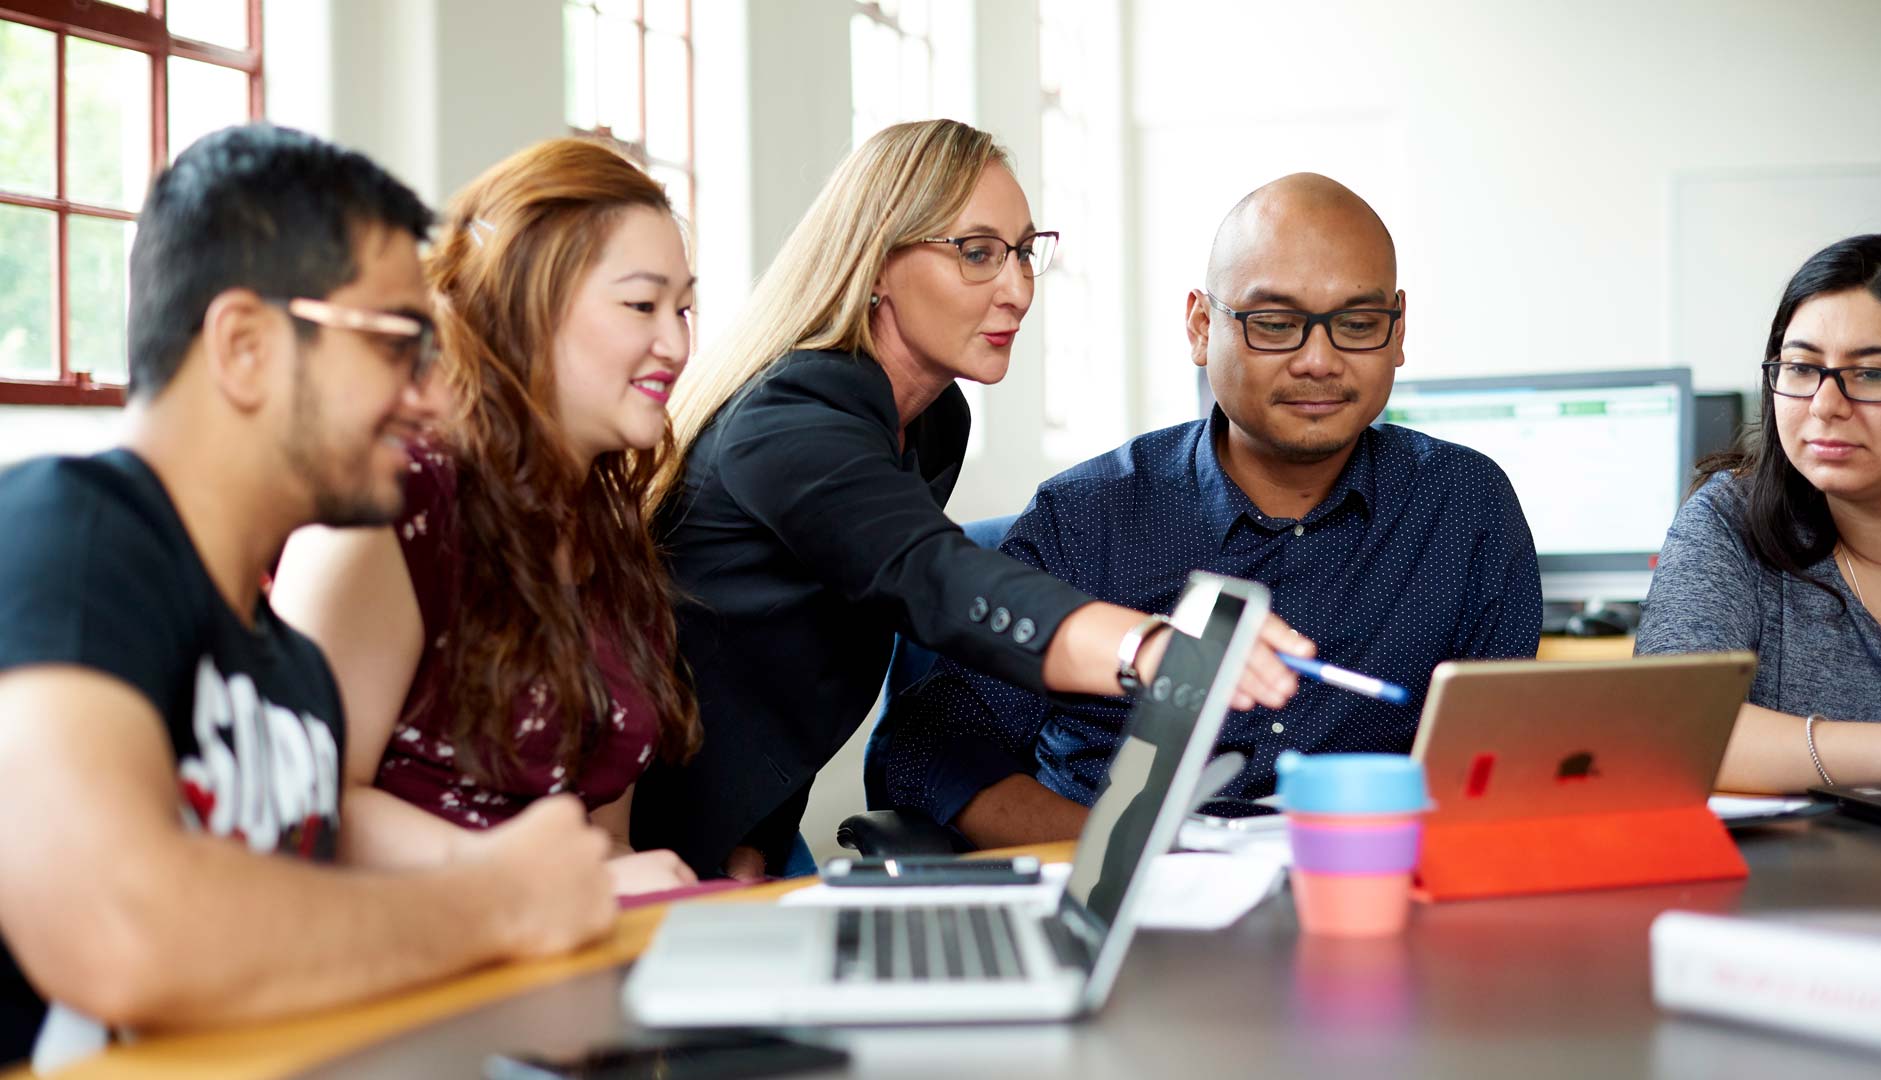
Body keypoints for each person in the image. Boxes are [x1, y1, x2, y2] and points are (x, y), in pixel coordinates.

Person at [0, 126, 616, 1070]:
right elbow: (114, 927)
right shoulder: (68, 534)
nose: (433, 399)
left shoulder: (295, 677)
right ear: (245, 345)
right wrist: (497, 902)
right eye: (397, 346)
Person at [634, 119, 1310, 880]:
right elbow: (932, 576)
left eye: (1024, 252)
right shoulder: (789, 419)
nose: (1018, 289)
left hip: (744, 827)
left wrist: (755, 845)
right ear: (878, 264)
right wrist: (1146, 647)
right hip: (640, 838)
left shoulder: (929, 421)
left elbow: (799, 661)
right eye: (978, 253)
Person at [882, 173, 1543, 849]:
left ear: (1397, 332)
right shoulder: (1086, 519)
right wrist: (1126, 853)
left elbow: (1500, 769)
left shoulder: (1466, 508)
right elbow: (927, 754)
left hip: (1361, 895)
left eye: (1358, 324)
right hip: (1128, 912)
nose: (1319, 361)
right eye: (1276, 324)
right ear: (1201, 327)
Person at [270, 139, 700, 895]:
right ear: (524, 305)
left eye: (685, 307)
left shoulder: (611, 533)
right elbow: (307, 809)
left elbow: (600, 836)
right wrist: (564, 886)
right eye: (641, 305)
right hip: (409, 957)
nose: (677, 343)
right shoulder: (393, 505)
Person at [1638, 234, 1881, 792]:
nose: (1825, 405)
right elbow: (1666, 732)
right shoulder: (1728, 520)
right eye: (1800, 368)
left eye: (1871, 374)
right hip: (1782, 876)